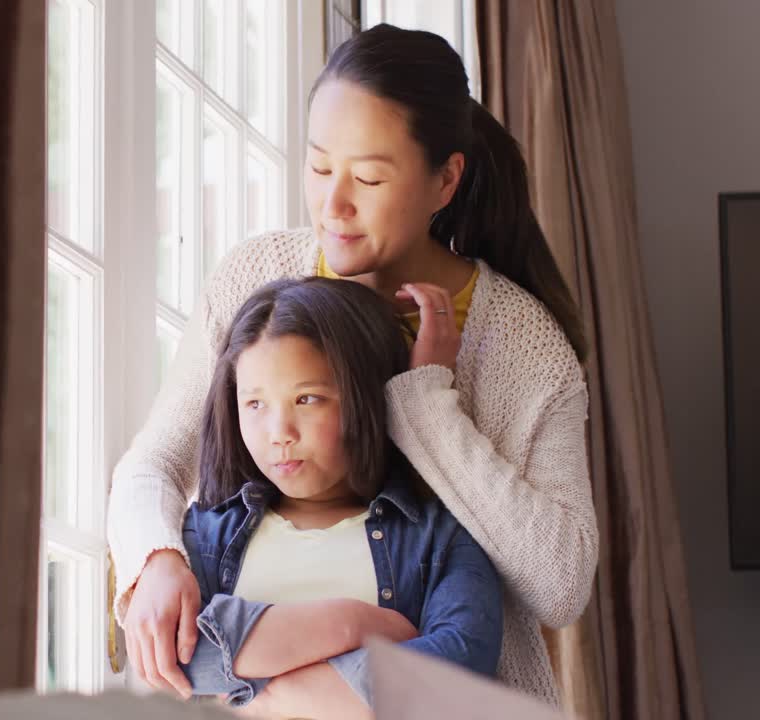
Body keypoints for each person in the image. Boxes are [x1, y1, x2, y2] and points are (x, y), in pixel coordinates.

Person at [107, 24, 597, 706]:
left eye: (367, 177)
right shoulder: (258, 279)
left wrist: (427, 403)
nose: (332, 205)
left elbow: (561, 583)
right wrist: (155, 562)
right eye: (317, 166)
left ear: (445, 179)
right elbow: (152, 464)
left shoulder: (522, 347)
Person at [176, 277, 502, 719]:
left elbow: (460, 669)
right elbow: (180, 658)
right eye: (255, 404)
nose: (279, 434)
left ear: (365, 397)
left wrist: (271, 695)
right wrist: (354, 624)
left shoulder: (439, 538)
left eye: (307, 399)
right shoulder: (206, 535)